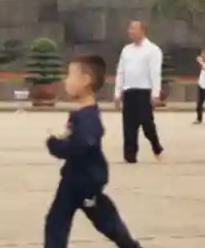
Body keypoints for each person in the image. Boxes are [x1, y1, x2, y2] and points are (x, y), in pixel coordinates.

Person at [43, 55, 143, 248]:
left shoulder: (88, 117)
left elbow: (85, 143)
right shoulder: (84, 114)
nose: (66, 80)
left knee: (104, 220)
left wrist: (57, 146)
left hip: (85, 181)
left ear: (86, 81)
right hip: (74, 179)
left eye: (71, 75)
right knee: (56, 221)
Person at [115, 21, 165, 163]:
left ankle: (156, 146)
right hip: (129, 91)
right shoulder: (126, 50)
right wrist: (118, 93)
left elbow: (155, 73)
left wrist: (155, 94)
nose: (129, 32)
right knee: (129, 124)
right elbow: (121, 72)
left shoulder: (153, 50)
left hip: (144, 91)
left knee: (146, 122)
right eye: (129, 29)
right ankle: (130, 155)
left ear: (142, 31)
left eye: (133, 29)